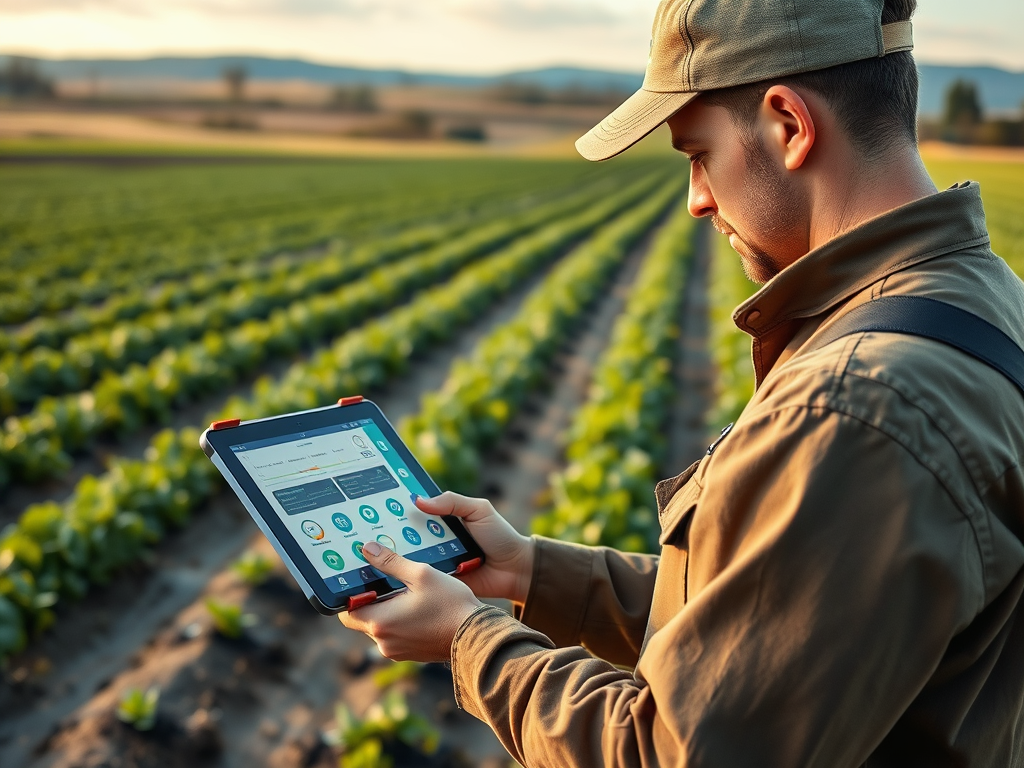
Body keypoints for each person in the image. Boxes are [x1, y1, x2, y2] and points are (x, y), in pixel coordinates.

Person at [341, 0, 1024, 764]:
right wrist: (533, 571)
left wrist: (470, 642)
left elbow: (671, 752)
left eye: (698, 153)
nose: (698, 198)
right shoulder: (978, 298)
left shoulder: (855, 409)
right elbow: (796, 619)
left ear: (789, 126)